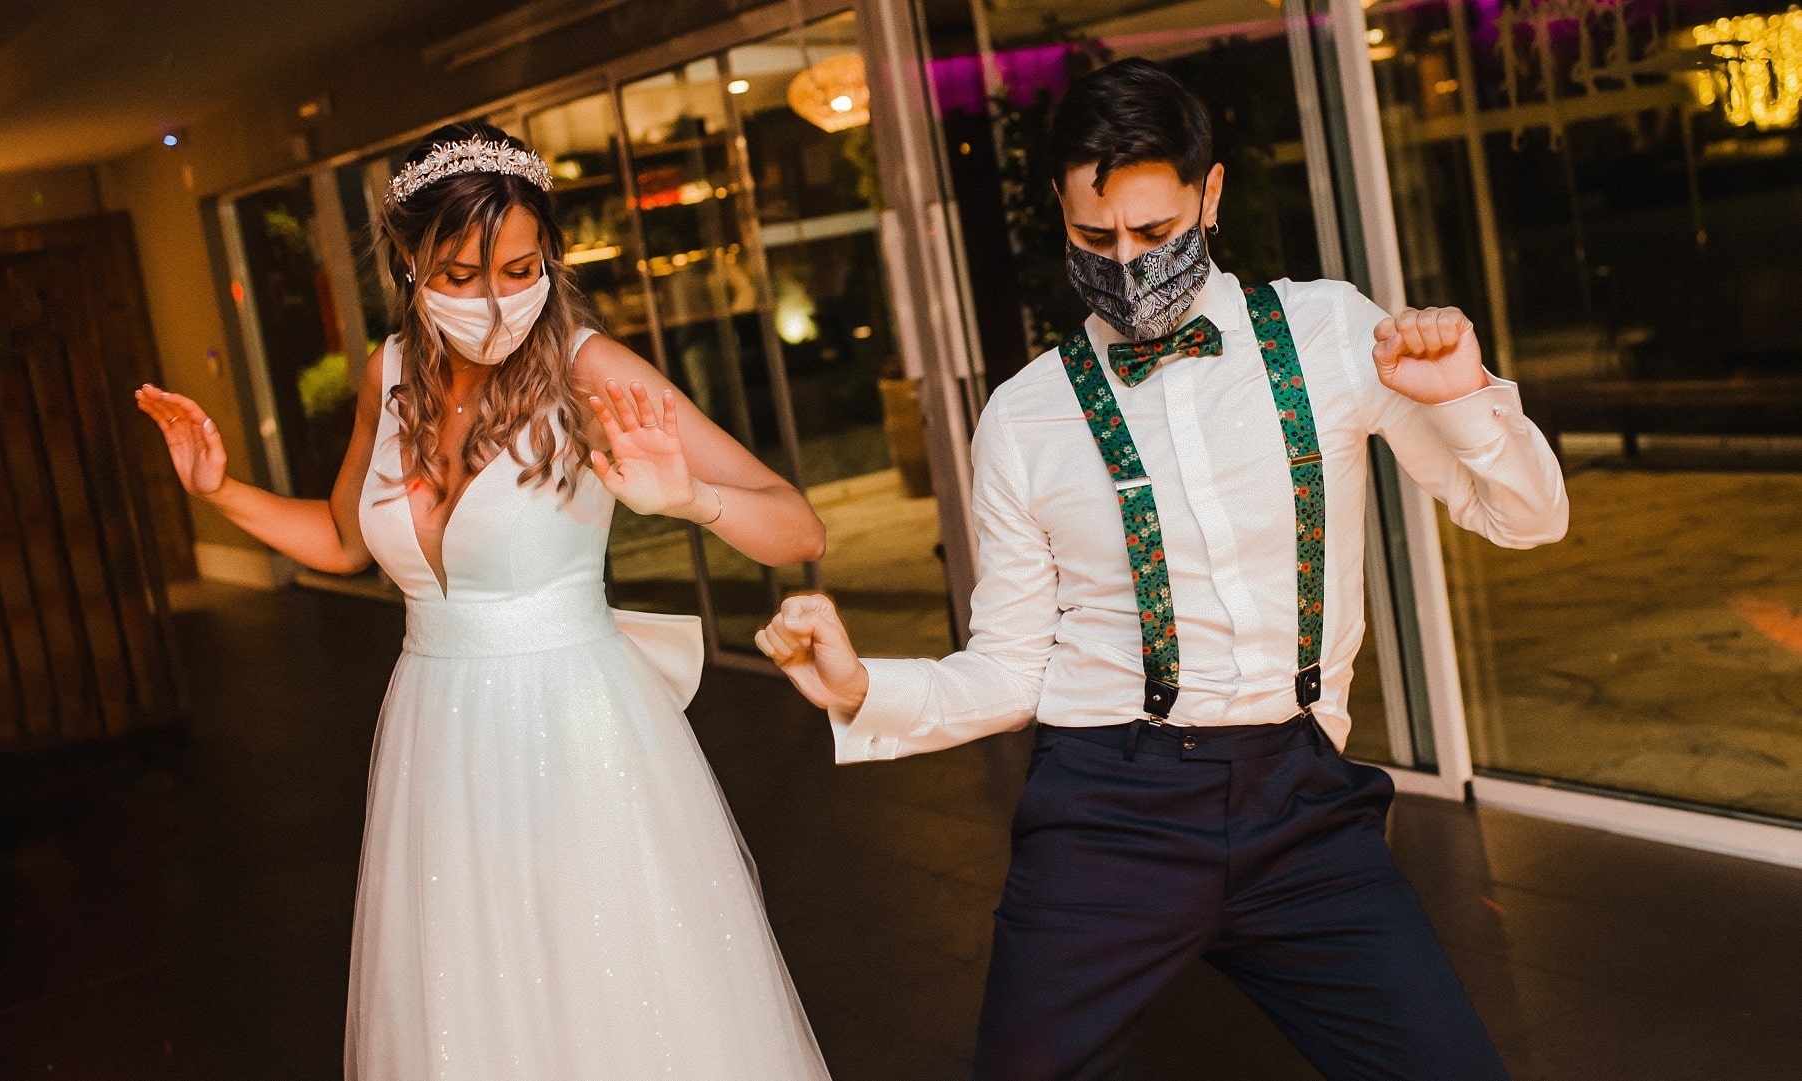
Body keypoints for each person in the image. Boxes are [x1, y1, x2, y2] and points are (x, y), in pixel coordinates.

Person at [756, 60, 1567, 1081]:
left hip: (1300, 801)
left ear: (1211, 196)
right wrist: (858, 686)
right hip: (1107, 810)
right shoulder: (1024, 416)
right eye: (1096, 239)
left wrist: (1463, 400)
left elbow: (1528, 519)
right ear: (1060, 207)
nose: (1128, 265)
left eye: (1156, 234)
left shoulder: (1330, 332)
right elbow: (1009, 671)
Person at [137, 120, 832, 1081]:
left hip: (578, 731)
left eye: (519, 267)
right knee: (471, 1004)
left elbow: (798, 526)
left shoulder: (592, 370)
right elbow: (345, 541)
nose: (497, 301)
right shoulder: (387, 377)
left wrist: (690, 499)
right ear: (406, 264)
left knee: (609, 993)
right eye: (459, 276)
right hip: (436, 732)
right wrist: (217, 490)